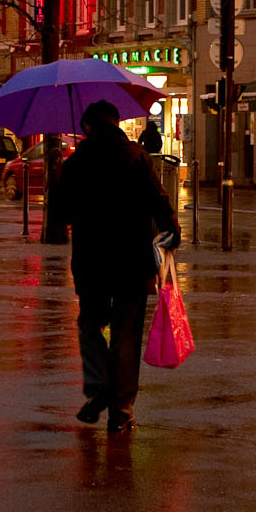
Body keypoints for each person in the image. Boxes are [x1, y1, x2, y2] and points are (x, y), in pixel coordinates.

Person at [51, 100, 181, 433]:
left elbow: (59, 216)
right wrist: (171, 234)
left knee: (90, 324)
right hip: (132, 261)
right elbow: (160, 201)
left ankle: (98, 385)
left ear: (88, 127)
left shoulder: (76, 162)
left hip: (91, 261)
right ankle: (121, 409)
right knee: (126, 332)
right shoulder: (137, 158)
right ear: (117, 122)